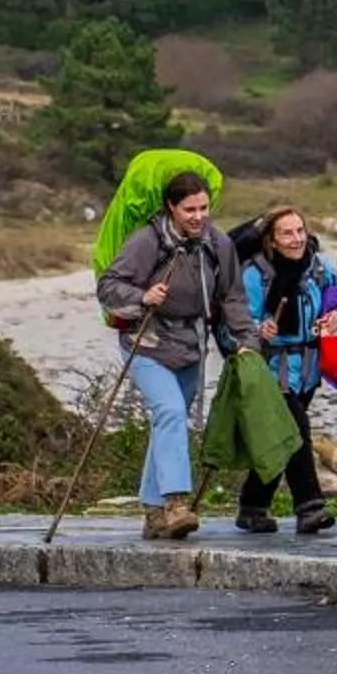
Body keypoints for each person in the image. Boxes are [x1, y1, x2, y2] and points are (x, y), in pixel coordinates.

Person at [94, 170, 252, 540]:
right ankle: (176, 504)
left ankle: (153, 514)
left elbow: (232, 296)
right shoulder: (146, 241)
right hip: (145, 342)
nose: (198, 216)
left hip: (191, 345)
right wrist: (142, 298)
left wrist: (246, 340)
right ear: (170, 207)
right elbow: (109, 287)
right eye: (189, 209)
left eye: (203, 208)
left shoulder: (218, 243)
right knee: (169, 412)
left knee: (169, 422)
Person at [232, 205, 337, 536]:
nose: (296, 239)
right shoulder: (254, 274)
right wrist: (258, 329)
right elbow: (235, 321)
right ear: (271, 239)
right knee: (296, 432)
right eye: (287, 233)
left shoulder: (320, 266)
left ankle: (253, 507)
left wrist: (336, 318)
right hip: (270, 368)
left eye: (300, 231)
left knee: (280, 438)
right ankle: (310, 506)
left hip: (309, 368)